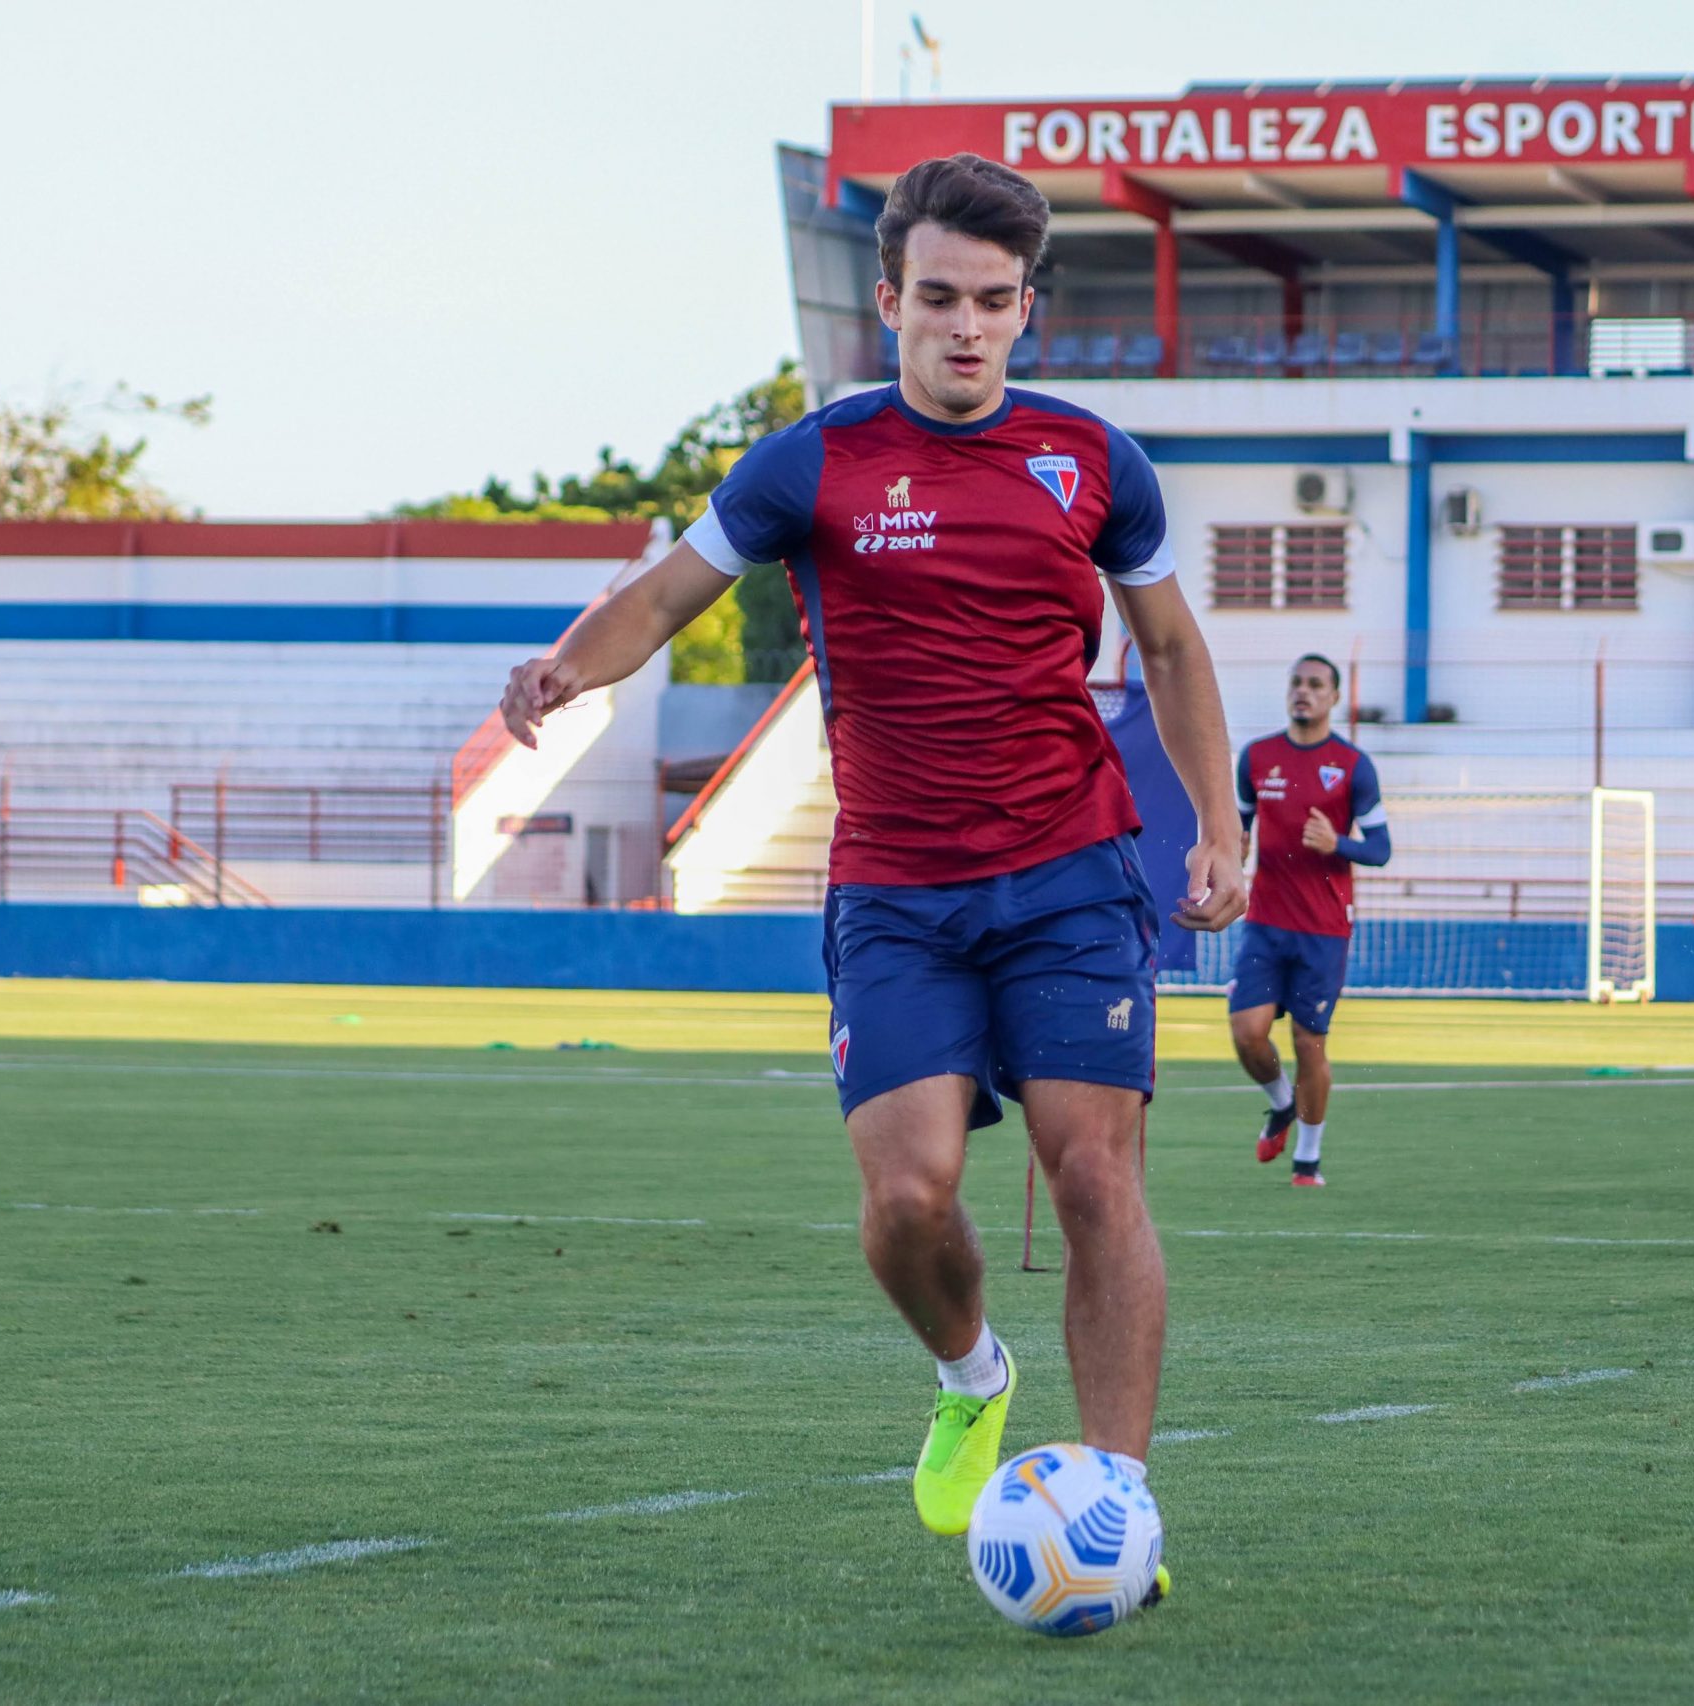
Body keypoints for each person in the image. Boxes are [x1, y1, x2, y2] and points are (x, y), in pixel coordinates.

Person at [497, 154, 1245, 1574]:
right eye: (942, 299)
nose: (968, 327)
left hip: (1072, 870)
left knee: (1096, 1177)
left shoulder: (1093, 459)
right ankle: (972, 1379)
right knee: (907, 1200)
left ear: (1028, 308)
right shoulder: (814, 462)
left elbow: (1169, 646)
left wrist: (1223, 821)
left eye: (997, 303)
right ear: (890, 301)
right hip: (896, 890)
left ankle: (1118, 1508)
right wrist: (565, 668)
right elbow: (665, 593)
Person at [1228, 654, 1390, 1185]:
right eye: (1296, 682)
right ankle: (1280, 1103)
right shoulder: (1256, 757)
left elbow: (1382, 849)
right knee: (1247, 1033)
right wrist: (1234, 847)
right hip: (1265, 920)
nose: (1304, 691)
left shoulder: (1353, 765)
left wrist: (1337, 843)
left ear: (1333, 697)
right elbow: (1240, 826)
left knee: (1307, 1042)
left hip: (1323, 928)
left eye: (1316, 684)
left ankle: (1308, 1160)